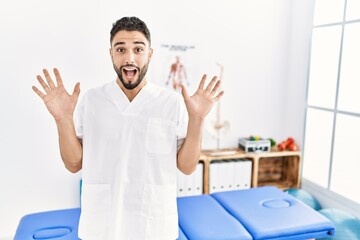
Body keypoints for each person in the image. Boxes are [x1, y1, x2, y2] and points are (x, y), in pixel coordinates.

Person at [32, 16, 223, 240]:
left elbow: (187, 166)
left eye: (138, 49)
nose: (129, 58)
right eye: (120, 49)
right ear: (111, 53)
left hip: (153, 224)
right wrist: (63, 118)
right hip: (102, 224)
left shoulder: (170, 102)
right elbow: (74, 164)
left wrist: (197, 119)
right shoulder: (92, 100)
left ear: (149, 54)